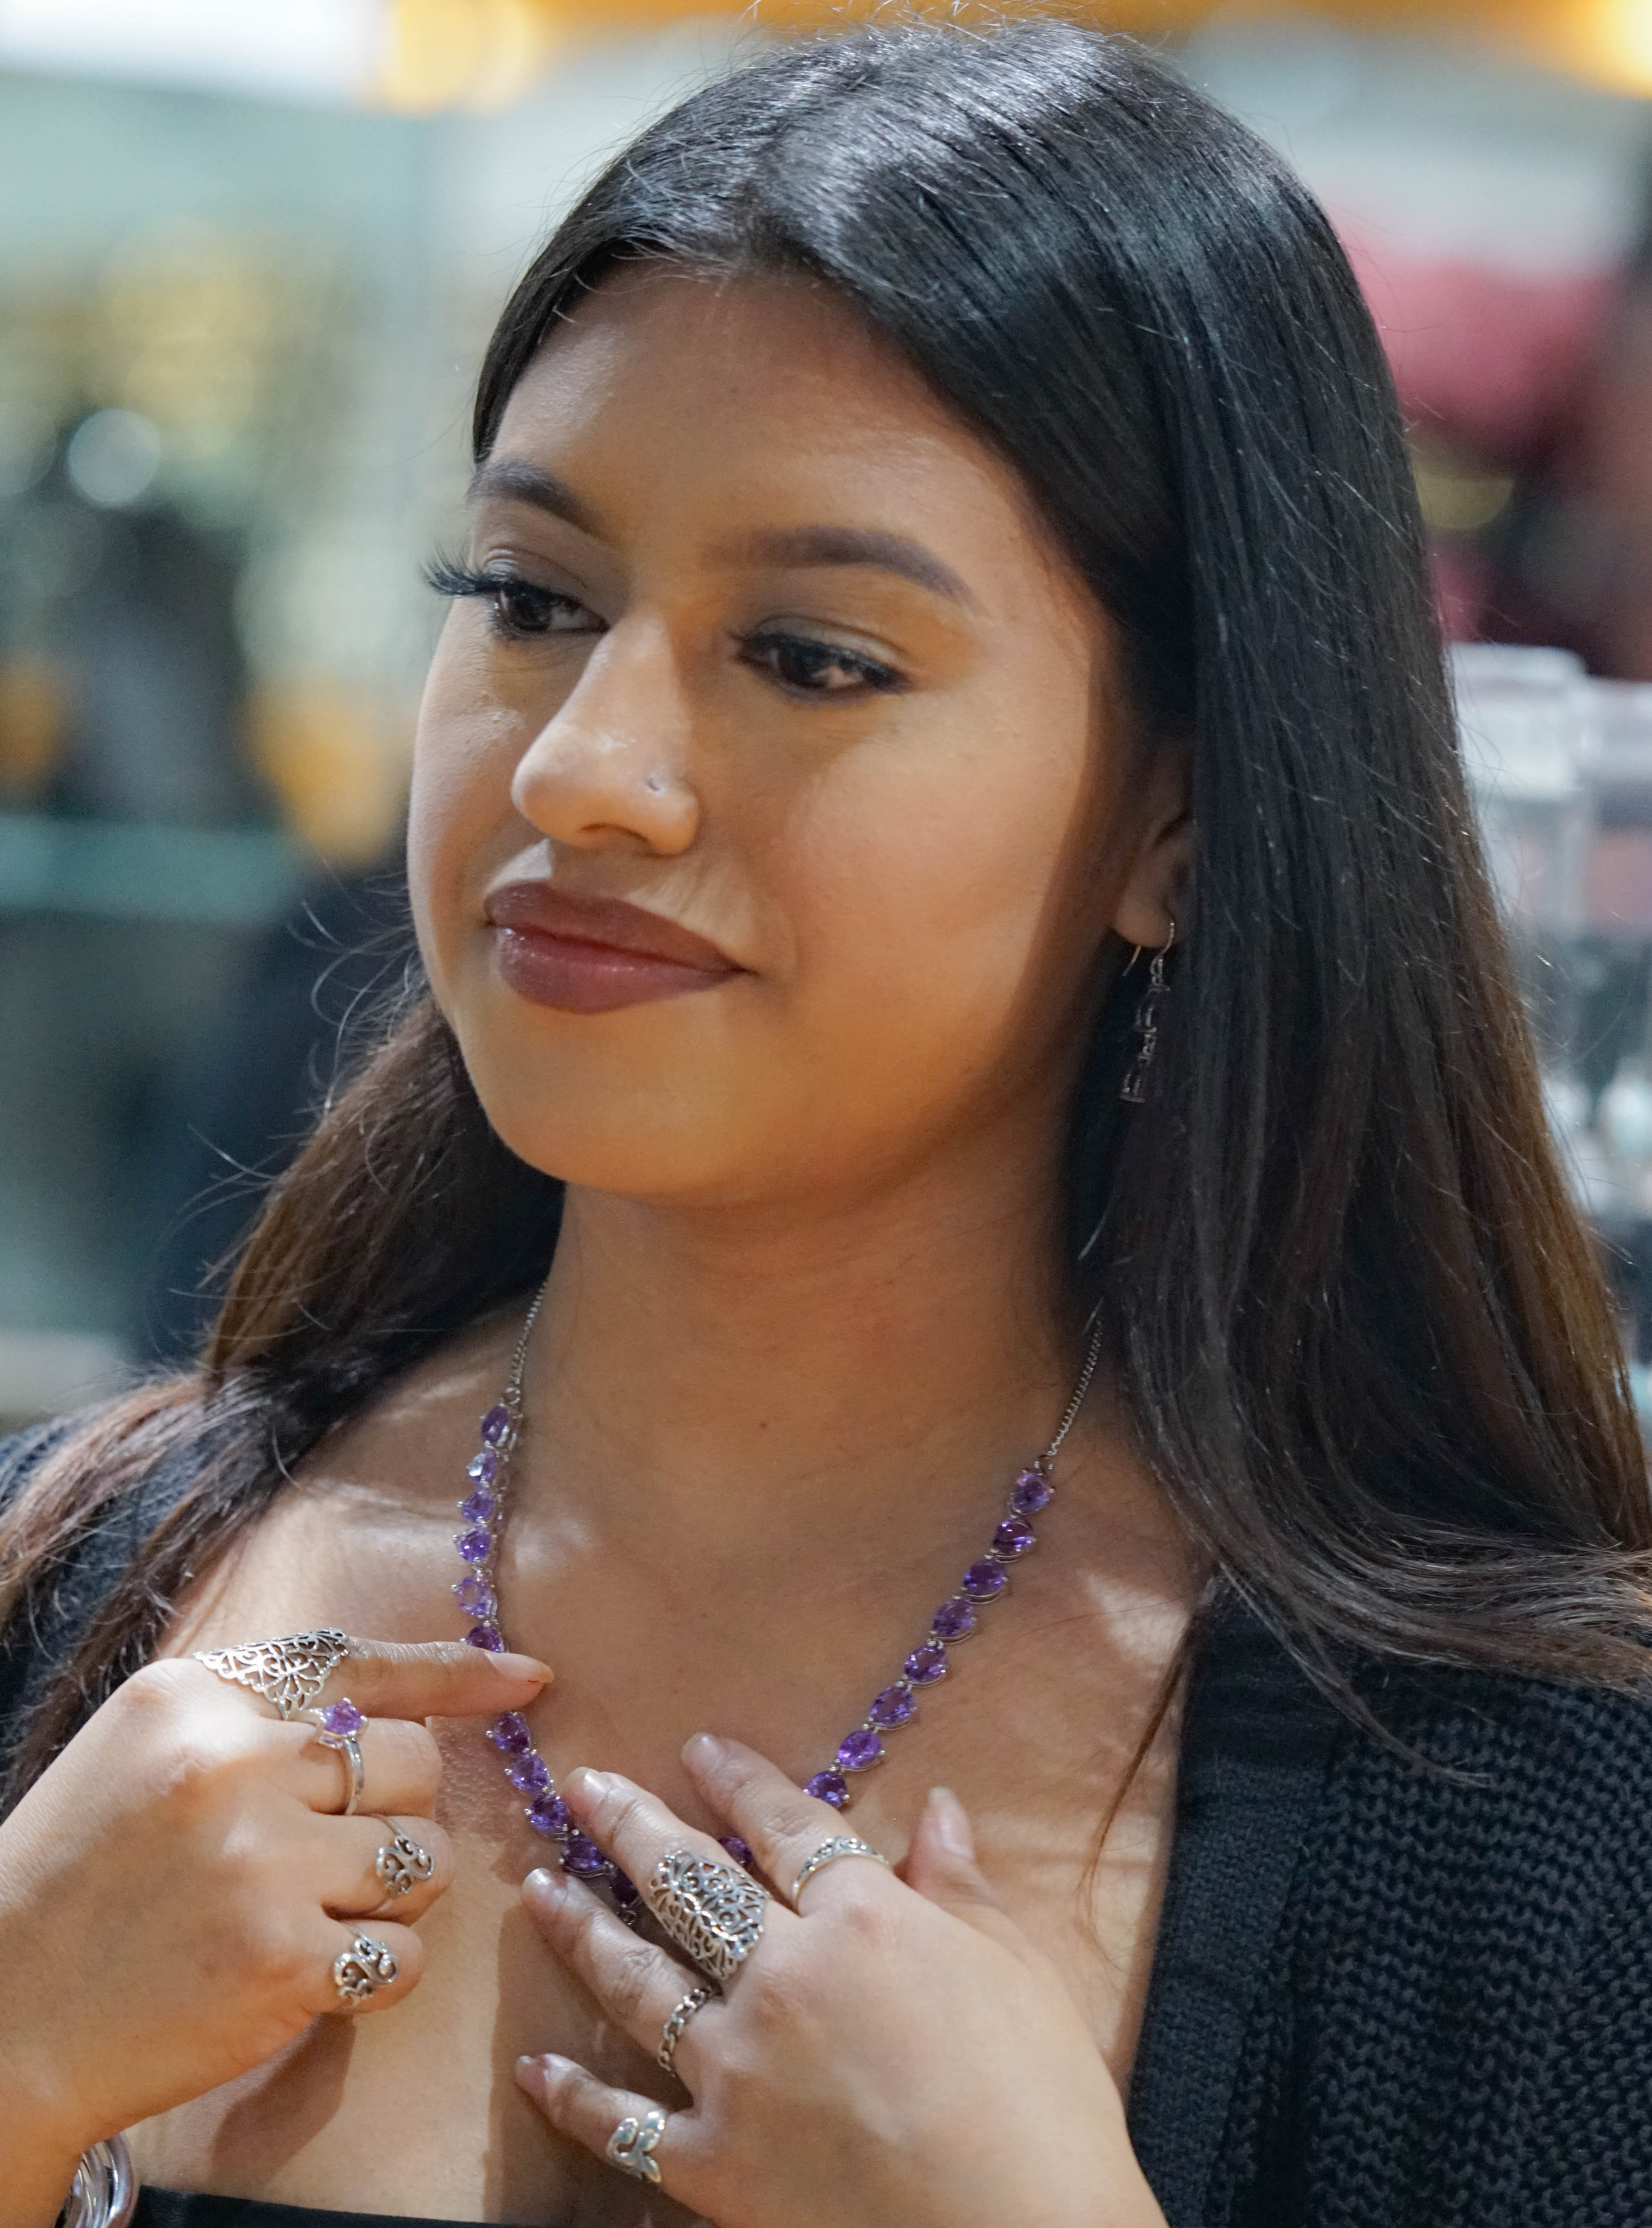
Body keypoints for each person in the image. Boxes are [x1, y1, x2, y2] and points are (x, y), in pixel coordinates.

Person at [3, 20, 1650, 2228]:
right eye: (530, 597)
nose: (584, 764)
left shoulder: (1521, 1828)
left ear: (1181, 810)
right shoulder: (76, 1593)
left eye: (812, 655)